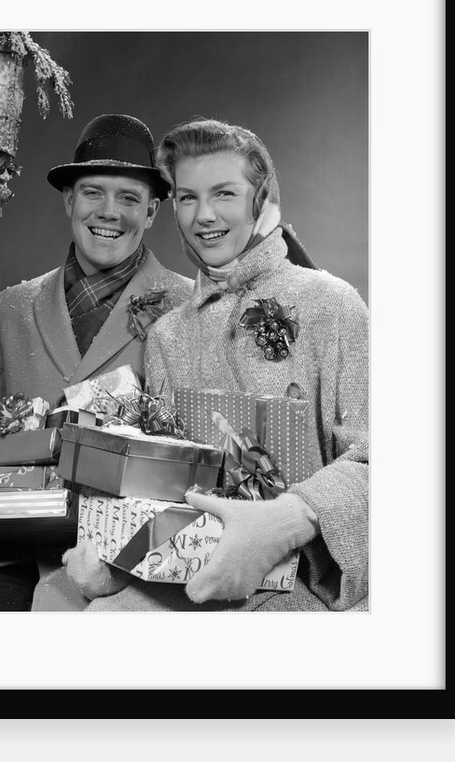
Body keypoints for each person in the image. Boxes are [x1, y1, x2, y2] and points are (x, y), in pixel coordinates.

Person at [60, 117, 368, 612]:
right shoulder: (167, 335)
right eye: (187, 197)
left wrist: (281, 525)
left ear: (260, 200)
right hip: (179, 586)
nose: (204, 215)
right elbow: (162, 483)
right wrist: (118, 558)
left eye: (224, 193)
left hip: (302, 592)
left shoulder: (333, 306)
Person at [0, 113, 195, 611]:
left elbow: (193, 455)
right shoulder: (10, 306)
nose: (109, 212)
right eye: (94, 192)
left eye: (129, 198)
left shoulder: (187, 308)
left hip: (131, 558)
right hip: (9, 550)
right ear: (69, 200)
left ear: (153, 212)